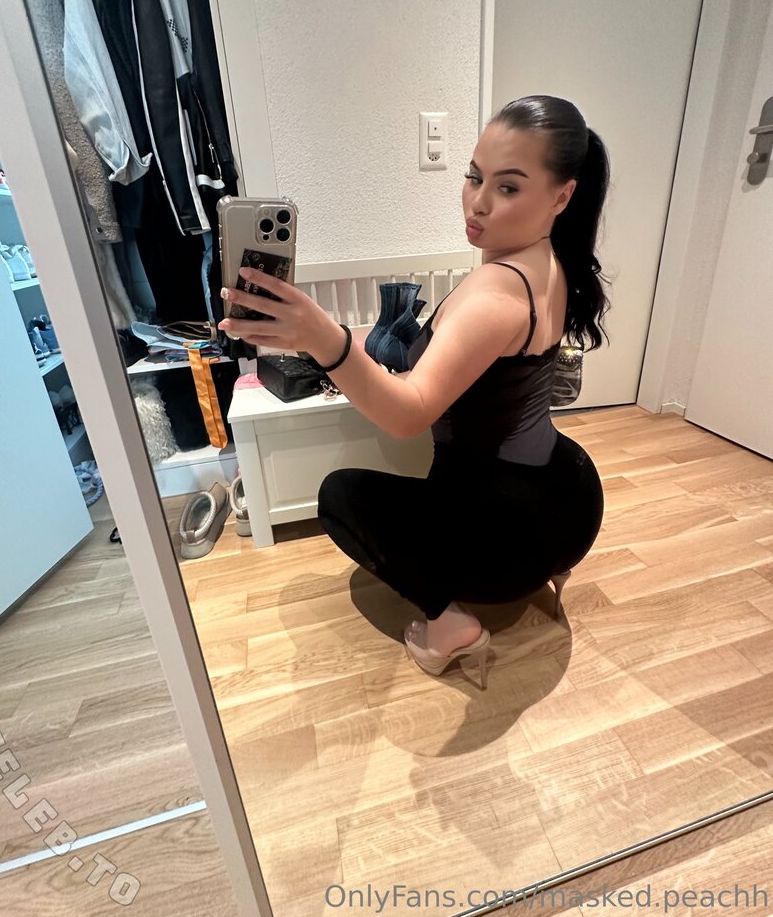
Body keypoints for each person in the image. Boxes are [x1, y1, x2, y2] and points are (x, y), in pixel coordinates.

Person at [218, 95, 608, 690]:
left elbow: (409, 415)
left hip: (510, 531)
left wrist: (324, 341)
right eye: (474, 176)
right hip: (572, 495)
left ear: (562, 196)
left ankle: (451, 628)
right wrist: (338, 338)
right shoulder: (549, 264)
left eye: (508, 187)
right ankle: (548, 571)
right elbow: (464, 365)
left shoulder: (494, 293)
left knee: (339, 496)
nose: (477, 202)